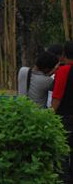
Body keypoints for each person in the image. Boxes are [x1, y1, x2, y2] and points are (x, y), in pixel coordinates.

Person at [52, 41, 73, 183]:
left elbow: (57, 97)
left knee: (63, 154)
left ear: (64, 54)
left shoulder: (64, 71)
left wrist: (49, 115)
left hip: (65, 118)